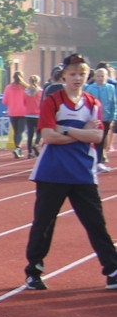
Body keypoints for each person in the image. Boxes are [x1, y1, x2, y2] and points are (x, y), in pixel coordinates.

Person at [23, 55, 117, 291]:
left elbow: (97, 136)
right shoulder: (53, 101)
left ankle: (112, 270)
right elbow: (47, 136)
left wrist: (63, 128)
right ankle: (34, 269)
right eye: (73, 74)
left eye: (81, 74)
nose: (77, 78)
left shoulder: (93, 103)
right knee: (44, 223)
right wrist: (77, 131)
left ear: (87, 76)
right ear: (64, 75)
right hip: (52, 172)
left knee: (96, 223)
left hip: (83, 172)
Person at [88, 65, 116, 171]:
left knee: (102, 140)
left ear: (106, 77)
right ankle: (92, 161)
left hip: (106, 117)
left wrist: (113, 116)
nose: (100, 78)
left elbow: (113, 103)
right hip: (94, 119)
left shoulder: (111, 88)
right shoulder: (90, 88)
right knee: (94, 140)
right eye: (98, 76)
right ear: (95, 77)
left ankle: (99, 162)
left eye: (103, 76)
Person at [5, 71, 32, 159]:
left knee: (16, 131)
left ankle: (17, 148)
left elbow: (4, 101)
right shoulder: (26, 87)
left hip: (12, 112)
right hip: (23, 111)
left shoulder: (8, 88)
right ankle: (17, 148)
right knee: (20, 131)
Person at [21, 74, 43, 159]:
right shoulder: (40, 92)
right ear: (38, 82)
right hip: (38, 115)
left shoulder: (26, 92)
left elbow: (24, 103)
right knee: (39, 132)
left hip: (28, 114)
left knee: (30, 134)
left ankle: (29, 152)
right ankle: (36, 144)